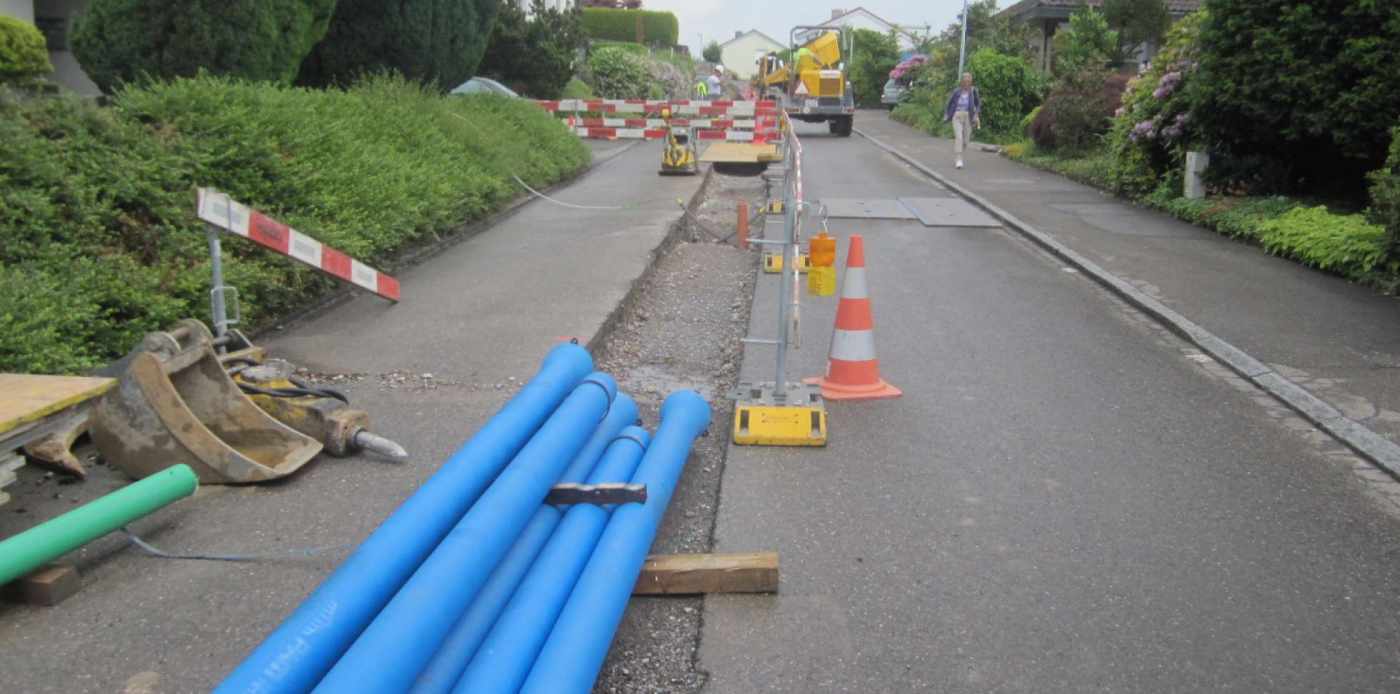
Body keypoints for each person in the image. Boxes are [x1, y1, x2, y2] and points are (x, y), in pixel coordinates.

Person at [943, 72, 982, 170]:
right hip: (957, 115)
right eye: (965, 81)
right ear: (962, 82)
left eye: (968, 81)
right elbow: (949, 103)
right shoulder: (957, 91)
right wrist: (947, 114)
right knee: (959, 137)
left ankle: (959, 152)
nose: (966, 83)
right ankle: (959, 159)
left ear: (971, 82)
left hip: (968, 117)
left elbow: (978, 105)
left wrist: (976, 114)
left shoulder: (973, 91)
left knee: (965, 141)